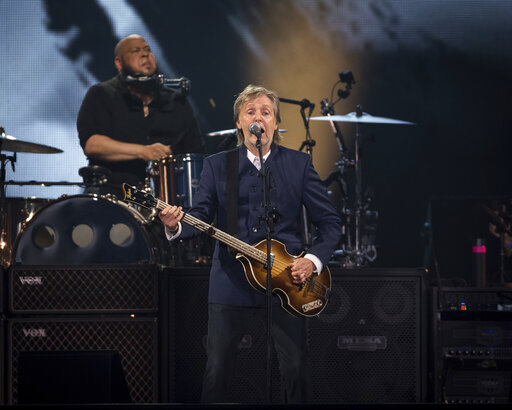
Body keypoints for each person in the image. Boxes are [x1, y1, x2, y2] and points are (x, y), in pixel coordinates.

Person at [159, 84, 341, 403]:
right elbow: (200, 215)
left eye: (266, 112)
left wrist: (311, 261)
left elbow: (330, 223)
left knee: (296, 370)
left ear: (275, 123)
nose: (258, 118)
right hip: (231, 281)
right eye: (250, 112)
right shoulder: (218, 165)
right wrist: (175, 225)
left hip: (288, 282)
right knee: (217, 371)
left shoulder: (298, 164)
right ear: (239, 123)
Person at [77, 34, 204, 197]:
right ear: (119, 63)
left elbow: (196, 154)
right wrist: (143, 151)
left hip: (167, 200)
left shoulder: (176, 101)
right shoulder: (101, 94)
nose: (145, 54)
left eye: (147, 50)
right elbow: (91, 144)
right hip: (113, 196)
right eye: (135, 51)